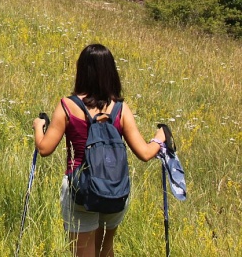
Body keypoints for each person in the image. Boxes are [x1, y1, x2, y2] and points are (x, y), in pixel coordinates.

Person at [32, 43, 167, 257]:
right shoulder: (120, 108)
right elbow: (144, 153)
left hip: (81, 188)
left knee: (84, 252)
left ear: (81, 70)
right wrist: (161, 137)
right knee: (106, 250)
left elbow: (44, 148)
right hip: (114, 188)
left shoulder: (68, 106)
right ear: (111, 71)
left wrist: (38, 127)